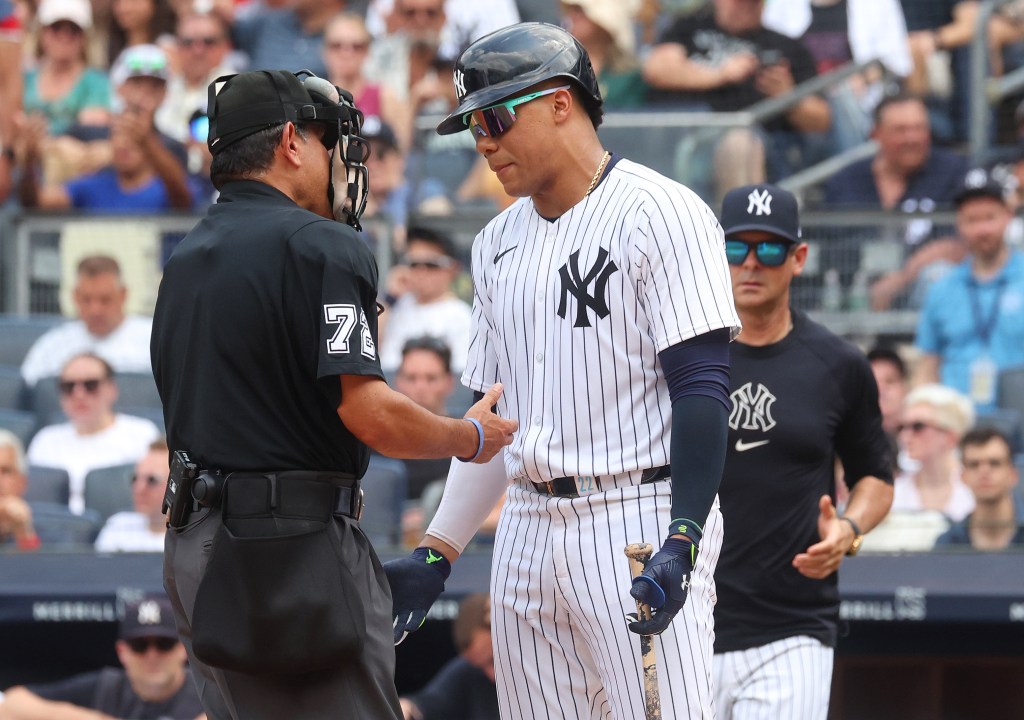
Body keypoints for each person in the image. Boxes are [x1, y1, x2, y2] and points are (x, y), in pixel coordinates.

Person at [385, 23, 741, 718]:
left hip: (636, 514)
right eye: (472, 126)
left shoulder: (660, 212)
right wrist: (438, 549)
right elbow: (492, 422)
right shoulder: (494, 244)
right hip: (524, 522)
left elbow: (702, 387)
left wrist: (686, 534)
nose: (482, 141)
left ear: (559, 102)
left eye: (494, 116)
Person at [150, 69, 516, 720]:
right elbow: (368, 412)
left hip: (191, 550)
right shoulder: (321, 244)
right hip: (287, 551)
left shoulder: (186, 256)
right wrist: (471, 436)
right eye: (326, 141)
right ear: (292, 142)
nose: (338, 159)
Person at [713, 183, 894, 719]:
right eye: (735, 248)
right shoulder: (678, 358)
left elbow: (875, 477)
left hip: (791, 624)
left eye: (768, 249)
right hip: (686, 618)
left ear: (799, 258)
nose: (751, 263)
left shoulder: (838, 364)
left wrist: (850, 530)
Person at [643, 0, 830, 200]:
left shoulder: (786, 46)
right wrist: (720, 74)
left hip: (760, 148)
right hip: (682, 139)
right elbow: (656, 69)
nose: (746, 6)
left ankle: (740, 230)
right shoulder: (689, 28)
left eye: (753, 3)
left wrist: (788, 98)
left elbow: (822, 119)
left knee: (739, 143)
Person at [914, 167, 1024, 413]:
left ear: (1008, 216)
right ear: (958, 224)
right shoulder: (941, 288)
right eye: (972, 220)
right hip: (957, 427)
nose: (981, 230)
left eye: (989, 217)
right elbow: (929, 364)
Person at [0, 595, 205, 720]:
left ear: (183, 649)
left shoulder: (209, 691)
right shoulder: (107, 686)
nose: (152, 655)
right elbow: (11, 704)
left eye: (164, 644)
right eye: (139, 646)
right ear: (122, 651)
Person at [27, 353, 161, 514]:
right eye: (69, 387)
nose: (79, 394)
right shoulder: (45, 441)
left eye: (90, 385)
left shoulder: (141, 434)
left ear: (112, 389)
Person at [20, 255, 154, 388]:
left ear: (123, 295)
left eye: (105, 300)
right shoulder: (52, 345)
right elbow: (27, 389)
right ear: (75, 296)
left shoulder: (153, 340)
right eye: (86, 300)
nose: (95, 310)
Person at [379, 226, 472, 373]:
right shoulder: (393, 306)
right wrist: (390, 297)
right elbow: (363, 348)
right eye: (413, 264)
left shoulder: (461, 316)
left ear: (453, 268)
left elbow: (458, 377)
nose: (421, 271)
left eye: (431, 265)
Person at [399, 592, 498, 720]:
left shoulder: (530, 664)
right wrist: (405, 708)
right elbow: (427, 704)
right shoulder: (469, 672)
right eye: (481, 666)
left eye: (493, 660)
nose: (492, 674)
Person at [23, 0, 111, 136]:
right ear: (42, 33)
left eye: (73, 30)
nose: (64, 36)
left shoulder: (96, 83)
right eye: (56, 28)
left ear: (84, 37)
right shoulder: (25, 78)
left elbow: (93, 128)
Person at [935, 426, 1024, 549]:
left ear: (1013, 474)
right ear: (962, 476)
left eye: (994, 463)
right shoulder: (948, 544)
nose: (984, 472)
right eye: (974, 465)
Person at [95, 437, 169, 552]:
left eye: (152, 480)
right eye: (135, 478)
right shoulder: (117, 527)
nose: (139, 489)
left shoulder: (194, 541)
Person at [0, 430, 40, 552]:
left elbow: (44, 570)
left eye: (6, 471)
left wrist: (24, 533)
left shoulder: (54, 530)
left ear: (22, 481)